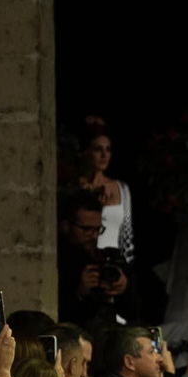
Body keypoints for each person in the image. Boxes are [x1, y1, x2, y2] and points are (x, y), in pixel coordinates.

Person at [58, 190, 136, 327]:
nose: (94, 236)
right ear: (66, 226)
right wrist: (80, 293)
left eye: (98, 230)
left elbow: (133, 313)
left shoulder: (105, 258)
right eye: (87, 229)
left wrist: (124, 288)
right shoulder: (55, 262)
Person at [78, 117, 136, 265]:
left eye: (108, 150)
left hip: (114, 260)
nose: (104, 155)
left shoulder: (121, 188)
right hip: (84, 260)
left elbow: (127, 232)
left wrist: (127, 265)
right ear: (87, 152)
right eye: (98, 149)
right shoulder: (77, 185)